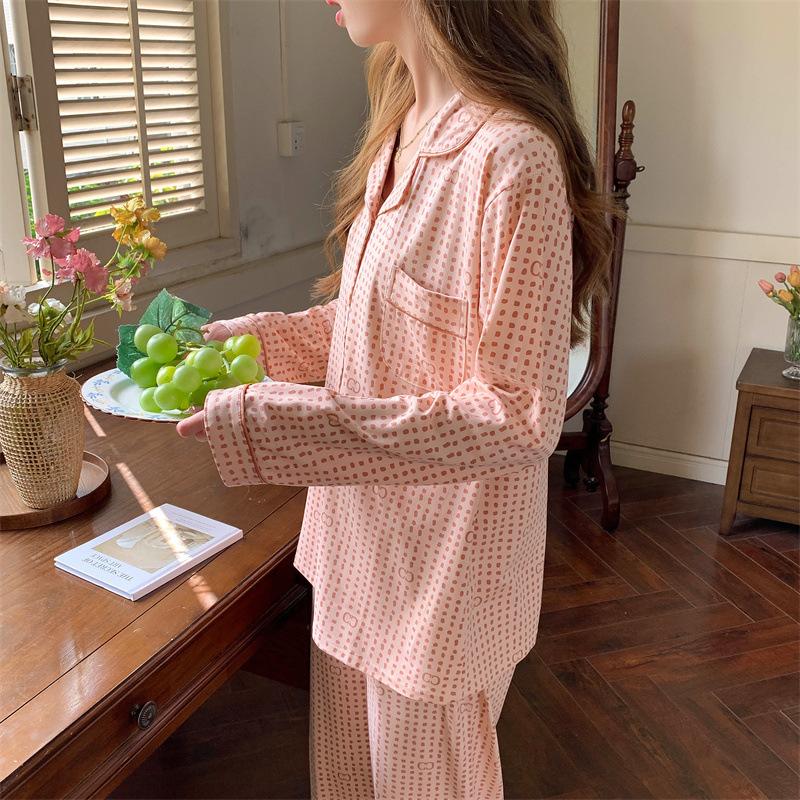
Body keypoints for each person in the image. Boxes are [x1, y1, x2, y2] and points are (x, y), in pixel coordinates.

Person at [177, 1, 617, 797]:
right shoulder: (401, 128)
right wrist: (258, 345)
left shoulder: (511, 158)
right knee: (346, 783)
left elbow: (518, 415)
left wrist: (287, 425)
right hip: (356, 554)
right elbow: (378, 321)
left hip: (443, 583)